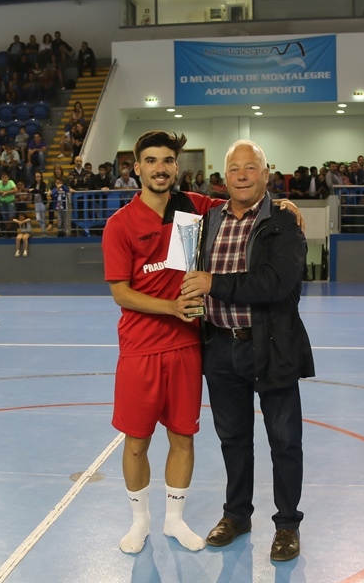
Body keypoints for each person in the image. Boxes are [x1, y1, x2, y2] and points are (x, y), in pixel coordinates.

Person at [180, 139, 313, 562]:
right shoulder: (209, 220)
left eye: (250, 167)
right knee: (233, 439)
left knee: (284, 440)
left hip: (270, 346)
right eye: (234, 168)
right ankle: (236, 514)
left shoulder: (284, 223)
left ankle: (288, 524)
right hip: (220, 347)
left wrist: (214, 284)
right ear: (224, 176)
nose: (241, 174)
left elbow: (275, 283)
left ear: (265, 173)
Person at [101, 130, 221, 555]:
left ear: (176, 166)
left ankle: (174, 521)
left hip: (187, 347)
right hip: (140, 350)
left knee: (183, 437)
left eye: (167, 160)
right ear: (137, 167)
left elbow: (244, 207)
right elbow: (120, 292)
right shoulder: (120, 225)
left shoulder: (193, 206)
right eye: (150, 160)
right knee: (137, 441)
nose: (160, 168)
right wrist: (169, 308)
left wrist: (282, 203)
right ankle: (140, 522)